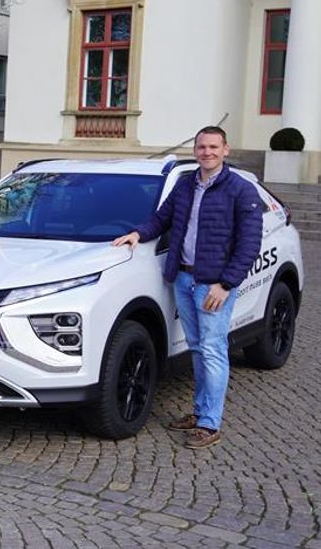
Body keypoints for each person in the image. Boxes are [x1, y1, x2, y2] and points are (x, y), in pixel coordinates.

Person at [112, 126, 262, 449]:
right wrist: (138, 234)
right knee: (196, 347)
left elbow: (249, 244)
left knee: (212, 349)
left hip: (214, 284)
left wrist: (225, 284)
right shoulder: (185, 184)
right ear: (195, 150)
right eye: (201, 147)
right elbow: (160, 219)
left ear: (226, 150)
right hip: (183, 278)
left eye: (213, 147)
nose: (206, 152)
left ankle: (210, 423)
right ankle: (200, 412)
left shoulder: (240, 190)